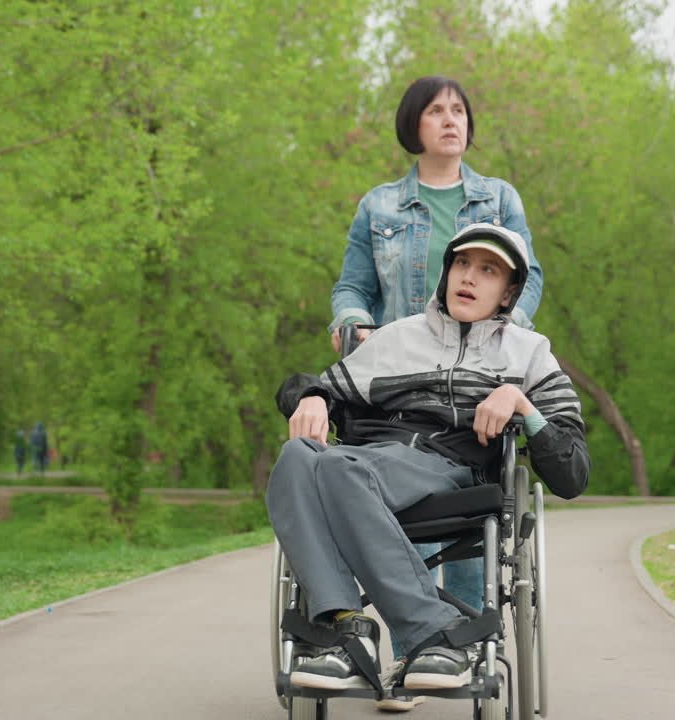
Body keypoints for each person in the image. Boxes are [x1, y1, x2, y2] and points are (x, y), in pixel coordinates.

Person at [268, 224, 588, 696]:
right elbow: (311, 385)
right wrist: (312, 396)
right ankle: (342, 629)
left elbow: (572, 471)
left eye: (488, 270)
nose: (470, 277)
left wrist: (521, 402)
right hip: (369, 461)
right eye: (462, 264)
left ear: (509, 292)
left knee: (337, 466)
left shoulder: (530, 354)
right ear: (446, 272)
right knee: (297, 454)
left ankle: (432, 633)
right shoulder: (396, 338)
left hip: (451, 473)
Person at [328, 75, 544, 710]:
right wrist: (351, 324)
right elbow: (352, 287)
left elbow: (527, 282)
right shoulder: (379, 207)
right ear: (412, 126)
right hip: (400, 379)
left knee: (474, 504)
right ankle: (417, 653)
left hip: (480, 376)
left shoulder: (498, 198)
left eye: (459, 110)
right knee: (402, 499)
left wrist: (507, 342)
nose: (451, 120)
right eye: (435, 111)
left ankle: (472, 648)